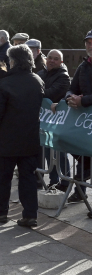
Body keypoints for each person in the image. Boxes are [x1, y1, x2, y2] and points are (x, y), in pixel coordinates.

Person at [0, 44, 44, 227]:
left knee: (5, 177)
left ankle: (1, 212)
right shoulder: (37, 81)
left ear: (13, 61)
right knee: (28, 178)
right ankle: (30, 214)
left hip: (7, 139)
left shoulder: (6, 84)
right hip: (30, 138)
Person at [37, 49, 71, 192]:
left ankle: (66, 182)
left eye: (56, 59)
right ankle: (53, 180)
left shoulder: (63, 77)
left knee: (60, 153)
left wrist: (34, 92)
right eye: (49, 57)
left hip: (58, 120)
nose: (51, 60)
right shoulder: (40, 74)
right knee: (46, 150)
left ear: (61, 62)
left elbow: (50, 93)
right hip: (43, 119)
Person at [64, 30, 92, 203]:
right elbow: (71, 88)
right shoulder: (83, 66)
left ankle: (79, 189)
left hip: (86, 114)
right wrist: (70, 98)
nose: (90, 45)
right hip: (84, 122)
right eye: (88, 42)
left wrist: (84, 101)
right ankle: (80, 191)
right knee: (80, 151)